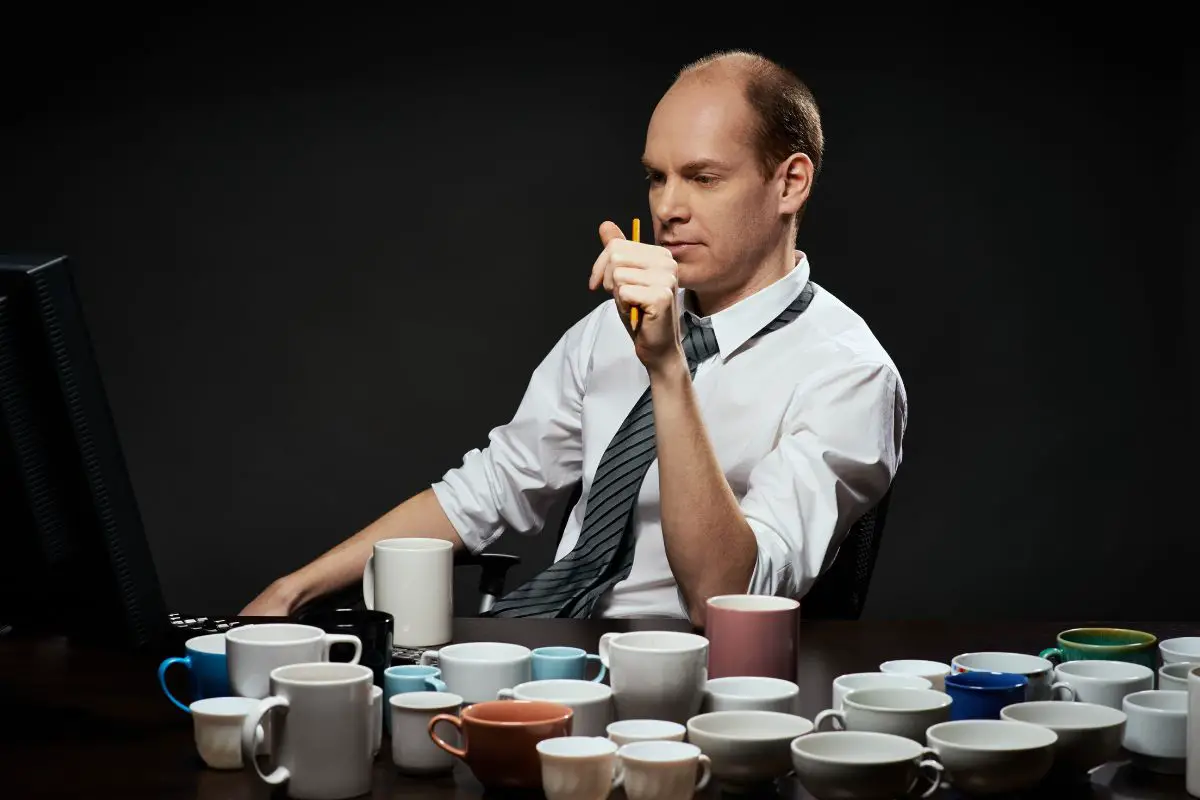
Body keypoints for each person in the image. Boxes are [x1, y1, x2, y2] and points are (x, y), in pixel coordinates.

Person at [241, 49, 907, 626]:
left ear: (790, 182)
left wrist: (668, 369)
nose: (668, 208)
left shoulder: (847, 373)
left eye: (703, 178)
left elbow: (726, 598)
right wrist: (292, 590)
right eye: (656, 176)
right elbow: (494, 489)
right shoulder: (607, 330)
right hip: (546, 647)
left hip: (684, 689)